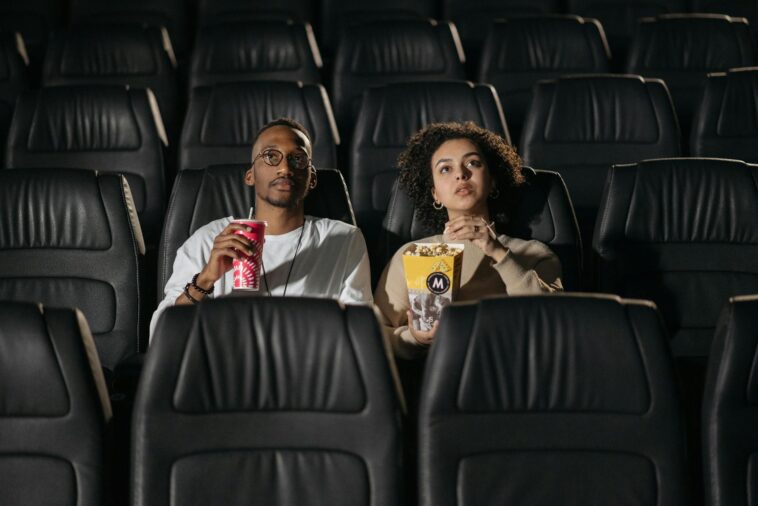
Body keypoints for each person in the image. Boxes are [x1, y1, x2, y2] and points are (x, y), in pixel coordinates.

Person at [150, 118, 373, 339]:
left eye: (297, 158)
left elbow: (361, 334)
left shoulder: (343, 240)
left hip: (310, 367)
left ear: (311, 179)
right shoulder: (208, 239)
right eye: (271, 156)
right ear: (250, 175)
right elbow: (159, 336)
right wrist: (206, 279)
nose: (285, 168)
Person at [374, 122, 563, 359]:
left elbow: (552, 320)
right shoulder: (411, 255)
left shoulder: (533, 254)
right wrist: (415, 338)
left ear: (493, 182)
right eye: (445, 169)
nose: (461, 174)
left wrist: (498, 252)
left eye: (473, 163)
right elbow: (377, 335)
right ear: (435, 194)